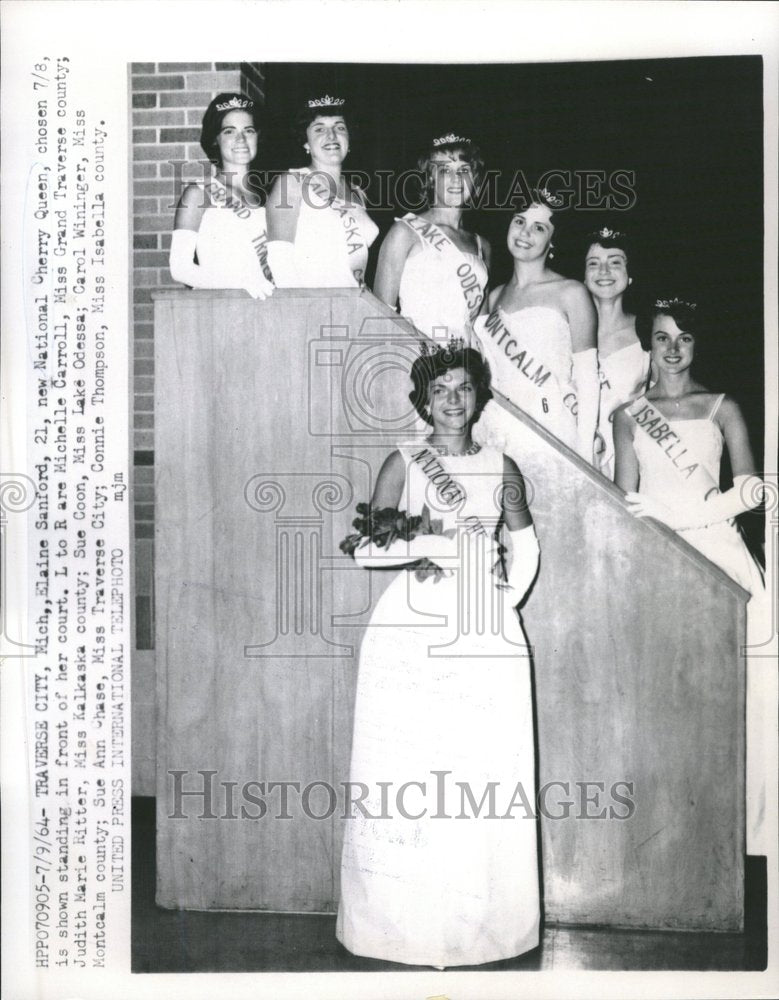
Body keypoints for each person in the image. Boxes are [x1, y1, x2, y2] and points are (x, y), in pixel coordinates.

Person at [336, 343, 541, 968]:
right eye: (441, 390)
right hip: (412, 625)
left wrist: (506, 603)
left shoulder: (503, 466)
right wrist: (435, 540)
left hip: (484, 625)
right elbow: (368, 551)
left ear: (479, 398)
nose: (453, 400)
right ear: (423, 400)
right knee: (410, 768)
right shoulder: (405, 459)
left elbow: (525, 545)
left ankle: (482, 926)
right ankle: (397, 927)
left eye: (464, 389)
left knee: (481, 767)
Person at [613, 296, 769, 854]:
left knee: (745, 701)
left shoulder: (721, 405)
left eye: (684, 338)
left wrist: (680, 516)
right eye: (662, 337)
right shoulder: (627, 416)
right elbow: (626, 505)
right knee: (669, 701)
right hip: (662, 562)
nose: (673, 349)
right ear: (648, 343)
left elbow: (751, 492)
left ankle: (748, 844)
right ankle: (674, 838)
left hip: (723, 556)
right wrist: (659, 528)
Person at [473, 190, 599, 464]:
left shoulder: (571, 293)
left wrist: (584, 454)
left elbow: (588, 382)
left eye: (539, 227)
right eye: (519, 221)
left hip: (550, 431)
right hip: (496, 431)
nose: (525, 232)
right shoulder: (493, 297)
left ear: (552, 241)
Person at [374, 133, 490, 342]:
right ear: (430, 177)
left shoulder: (482, 245)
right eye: (445, 170)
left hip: (470, 364)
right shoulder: (405, 232)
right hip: (419, 361)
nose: (456, 179)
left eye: (464, 170)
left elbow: (481, 325)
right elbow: (381, 314)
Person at [264, 95, 378, 287]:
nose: (332, 135)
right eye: (319, 129)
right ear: (305, 142)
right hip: (313, 307)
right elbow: (279, 262)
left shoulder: (357, 192)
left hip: (352, 306)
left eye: (340, 127)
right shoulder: (292, 183)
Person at [169, 93, 273, 299]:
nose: (241, 139)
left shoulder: (270, 197)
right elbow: (179, 268)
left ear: (257, 137)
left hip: (268, 309)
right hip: (221, 309)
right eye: (229, 131)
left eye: (249, 130)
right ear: (215, 140)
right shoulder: (199, 194)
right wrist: (239, 283)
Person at [584, 226, 649, 479]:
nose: (604, 271)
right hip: (573, 451)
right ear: (582, 275)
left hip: (629, 462)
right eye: (593, 263)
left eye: (615, 262)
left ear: (630, 274)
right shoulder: (564, 331)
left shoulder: (649, 332)